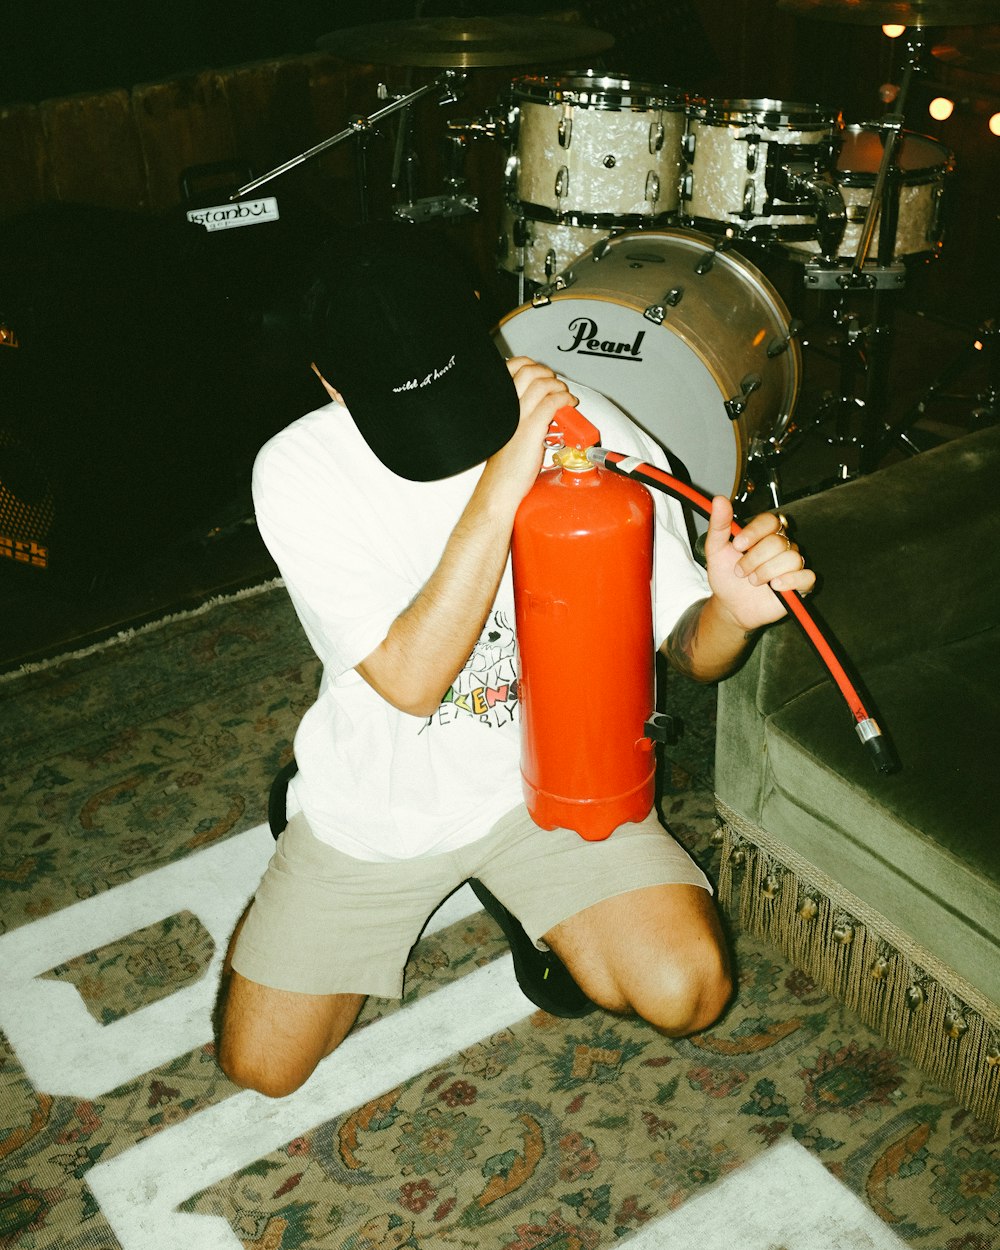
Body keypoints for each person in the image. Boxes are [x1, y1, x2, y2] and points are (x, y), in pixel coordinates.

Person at [217, 224, 815, 1098]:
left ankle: (526, 900)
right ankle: (306, 806)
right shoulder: (297, 471)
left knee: (689, 992)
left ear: (481, 323)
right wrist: (505, 477)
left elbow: (692, 654)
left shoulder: (594, 421)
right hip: (381, 804)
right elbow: (412, 683)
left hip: (559, 787)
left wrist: (731, 611)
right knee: (263, 1070)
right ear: (328, 380)